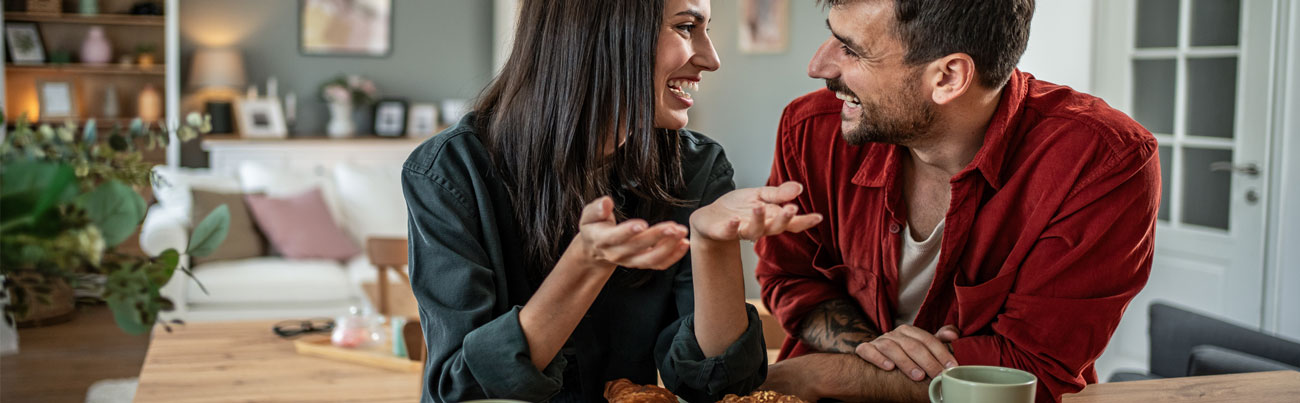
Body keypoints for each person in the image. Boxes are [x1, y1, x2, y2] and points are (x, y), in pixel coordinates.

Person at [402, 0, 821, 402]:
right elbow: (462, 390)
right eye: (686, 27)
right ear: (599, 32)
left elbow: (718, 387)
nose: (711, 59)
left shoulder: (697, 167)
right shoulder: (450, 172)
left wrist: (713, 245)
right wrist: (585, 263)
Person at [754, 0, 1160, 402]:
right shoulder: (810, 129)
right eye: (832, 35)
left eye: (852, 49)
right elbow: (788, 275)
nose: (818, 66)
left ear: (948, 77)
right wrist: (877, 355)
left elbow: (1034, 370)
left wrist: (827, 374)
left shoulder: (1103, 162)